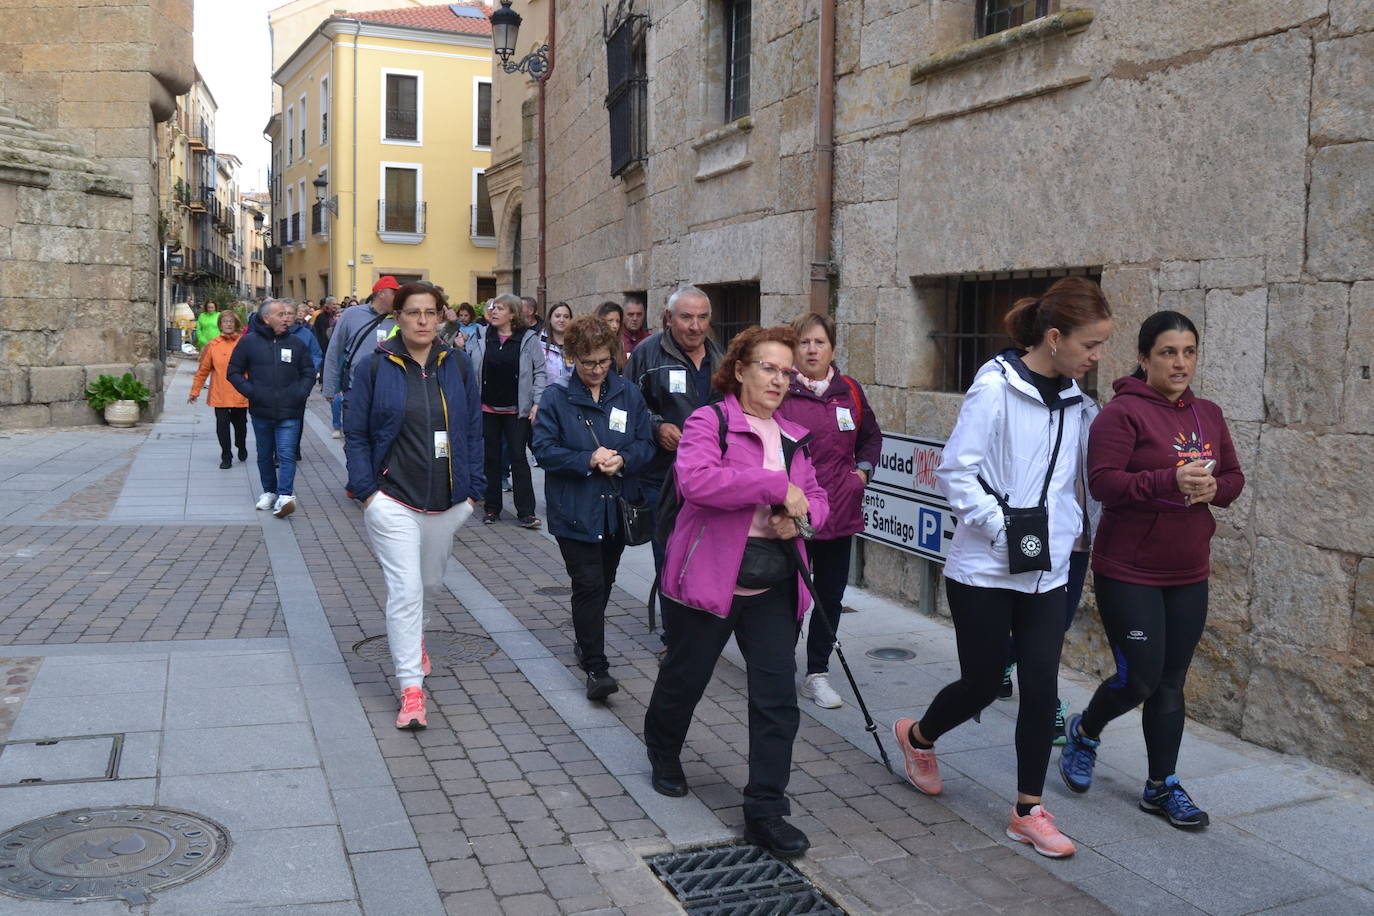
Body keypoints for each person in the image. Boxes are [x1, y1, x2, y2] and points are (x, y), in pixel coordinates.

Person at [892, 276, 1113, 860]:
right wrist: (1004, 529)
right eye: (1090, 346)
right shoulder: (995, 387)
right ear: (1056, 336)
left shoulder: (1078, 404)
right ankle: (919, 737)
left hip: (1047, 569)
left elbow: (1074, 484)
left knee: (1041, 686)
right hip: (983, 569)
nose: (1096, 359)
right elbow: (955, 473)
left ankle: (1027, 810)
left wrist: (1062, 540)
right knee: (984, 682)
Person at [643, 326, 829, 859]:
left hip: (773, 582)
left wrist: (806, 519)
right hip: (711, 578)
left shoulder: (794, 434)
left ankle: (765, 810)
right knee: (686, 675)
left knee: (776, 698)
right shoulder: (711, 421)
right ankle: (663, 749)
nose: (778, 379)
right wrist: (773, 486)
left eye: (786, 371)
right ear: (740, 369)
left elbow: (816, 499)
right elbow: (697, 481)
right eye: (767, 367)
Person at [1059, 310, 1244, 830]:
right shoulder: (1121, 415)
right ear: (1143, 358)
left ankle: (1161, 786)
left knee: (1170, 682)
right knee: (1138, 678)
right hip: (1130, 568)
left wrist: (1215, 489)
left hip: (1189, 569)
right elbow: (1104, 484)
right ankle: (1085, 732)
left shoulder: (1209, 413)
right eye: (1168, 352)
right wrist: (1168, 480)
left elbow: (1232, 477)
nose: (1180, 362)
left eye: (1188, 352)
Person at [344, 283, 484, 730]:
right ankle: (410, 687)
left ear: (441, 316)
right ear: (398, 317)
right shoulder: (373, 367)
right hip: (393, 500)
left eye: (430, 313)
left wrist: (472, 491)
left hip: (448, 500)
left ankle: (416, 639)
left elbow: (474, 429)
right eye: (413, 313)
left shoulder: (457, 364)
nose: (422, 321)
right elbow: (357, 433)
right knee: (405, 591)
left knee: (429, 582)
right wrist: (367, 492)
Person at [531, 316, 655, 700]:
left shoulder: (629, 394)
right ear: (572, 358)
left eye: (603, 361)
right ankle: (596, 667)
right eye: (588, 363)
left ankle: (586, 641)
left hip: (615, 509)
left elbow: (645, 443)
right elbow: (544, 449)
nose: (597, 370)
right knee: (588, 583)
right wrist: (587, 459)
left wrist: (624, 459)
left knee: (605, 579)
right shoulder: (555, 398)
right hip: (575, 510)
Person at [775, 312, 881, 710]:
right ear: (794, 348)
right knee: (789, 594)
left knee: (829, 598)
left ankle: (816, 673)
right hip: (795, 514)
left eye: (819, 342)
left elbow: (871, 437)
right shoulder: (782, 390)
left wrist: (863, 474)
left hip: (839, 513)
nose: (812, 349)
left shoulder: (849, 391)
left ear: (832, 347)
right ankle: (778, 666)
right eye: (804, 343)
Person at [624, 286, 725, 578]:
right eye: (687, 318)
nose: (696, 327)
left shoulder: (721, 356)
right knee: (669, 560)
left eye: (703, 318)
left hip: (710, 478)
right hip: (661, 480)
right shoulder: (646, 353)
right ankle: (675, 624)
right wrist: (656, 426)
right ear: (668, 317)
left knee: (706, 560)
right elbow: (627, 408)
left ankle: (700, 620)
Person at [227, 298, 317, 518]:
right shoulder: (249, 342)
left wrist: (300, 393)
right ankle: (269, 492)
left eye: (288, 314)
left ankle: (285, 495)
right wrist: (252, 392)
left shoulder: (296, 343)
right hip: (261, 410)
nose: (286, 319)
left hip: (290, 410)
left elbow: (308, 371)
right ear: (267, 318)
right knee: (265, 454)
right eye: (281, 315)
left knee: (286, 453)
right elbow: (234, 372)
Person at [468, 293, 546, 527]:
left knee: (518, 458)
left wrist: (537, 402)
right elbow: (471, 367)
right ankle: (492, 508)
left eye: (500, 308)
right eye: (493, 308)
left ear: (512, 314)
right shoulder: (482, 336)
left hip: (516, 410)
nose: (493, 311)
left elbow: (539, 372)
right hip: (487, 408)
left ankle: (526, 512)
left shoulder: (528, 339)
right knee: (490, 459)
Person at [323, 277, 399, 440]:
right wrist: (329, 387)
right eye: (395, 293)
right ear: (381, 294)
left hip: (388, 394)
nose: (399, 298)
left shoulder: (399, 319)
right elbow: (334, 351)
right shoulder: (352, 314)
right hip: (355, 392)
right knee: (356, 441)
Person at [188, 311, 250, 469]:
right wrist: (195, 391)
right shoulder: (213, 345)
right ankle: (226, 455)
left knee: (240, 425)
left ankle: (241, 445)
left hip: (240, 392)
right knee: (222, 426)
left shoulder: (244, 343)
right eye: (225, 321)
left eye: (231, 321)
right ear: (220, 325)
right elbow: (203, 370)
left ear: (235, 324)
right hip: (220, 393)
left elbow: (253, 367)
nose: (228, 324)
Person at [540, 301, 573, 388]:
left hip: (572, 396)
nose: (562, 320)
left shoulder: (577, 344)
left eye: (566, 317)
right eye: (557, 316)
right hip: (546, 397)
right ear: (550, 319)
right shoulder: (538, 345)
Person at [595, 301, 626, 370]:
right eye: (610, 320)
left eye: (618, 321)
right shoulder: (592, 344)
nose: (615, 326)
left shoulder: (620, 344)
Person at [622, 293, 651, 359]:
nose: (635, 318)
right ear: (623, 316)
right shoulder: (616, 340)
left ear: (644, 315)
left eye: (639, 314)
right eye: (630, 314)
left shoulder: (649, 340)